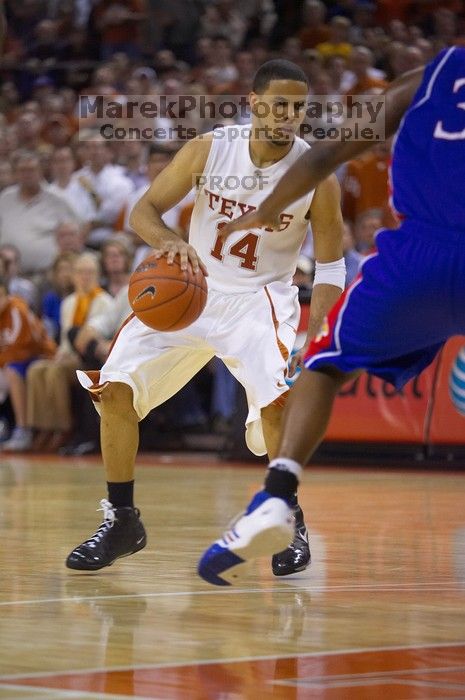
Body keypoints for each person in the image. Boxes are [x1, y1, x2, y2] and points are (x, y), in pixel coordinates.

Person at [65, 59, 346, 574]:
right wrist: (173, 245)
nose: (288, 115)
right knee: (115, 389)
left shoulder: (316, 173)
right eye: (279, 104)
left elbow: (331, 264)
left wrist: (317, 331)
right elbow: (143, 212)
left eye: (298, 107)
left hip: (260, 301)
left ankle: (288, 514)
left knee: (277, 408)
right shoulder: (211, 148)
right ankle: (123, 519)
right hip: (190, 292)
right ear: (256, 103)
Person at [197, 46, 465, 586]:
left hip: (423, 253)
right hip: (426, 246)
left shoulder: (430, 75)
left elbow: (322, 156)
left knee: (322, 366)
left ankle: (276, 496)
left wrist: (267, 211)